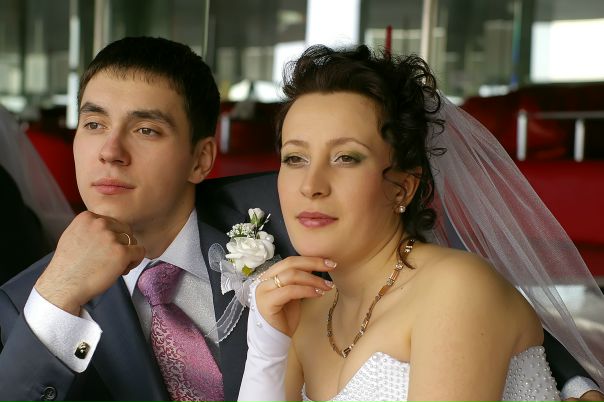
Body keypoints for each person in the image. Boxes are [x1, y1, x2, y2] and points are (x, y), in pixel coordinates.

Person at [237, 45, 604, 401]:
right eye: (295, 158)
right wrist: (266, 346)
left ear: (403, 187)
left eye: (346, 158)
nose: (311, 186)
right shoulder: (305, 312)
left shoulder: (456, 288)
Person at [0, 36, 274, 402]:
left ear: (200, 159)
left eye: (146, 130)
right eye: (94, 124)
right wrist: (59, 295)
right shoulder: (28, 303)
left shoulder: (280, 222)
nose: (110, 152)